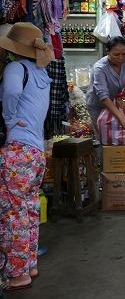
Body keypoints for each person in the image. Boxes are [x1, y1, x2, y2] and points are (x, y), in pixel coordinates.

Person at [0, 22, 54, 291]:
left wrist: (9, 119)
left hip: (18, 151)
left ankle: (18, 273)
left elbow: (10, 93)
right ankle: (29, 264)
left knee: (14, 214)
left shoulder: (15, 69)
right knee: (29, 209)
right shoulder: (41, 73)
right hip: (35, 151)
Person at [85, 37, 125, 134]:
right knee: (104, 135)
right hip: (98, 105)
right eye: (116, 54)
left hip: (116, 103)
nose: (121, 58)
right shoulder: (99, 68)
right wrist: (122, 118)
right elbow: (103, 97)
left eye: (124, 54)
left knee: (119, 134)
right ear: (107, 52)